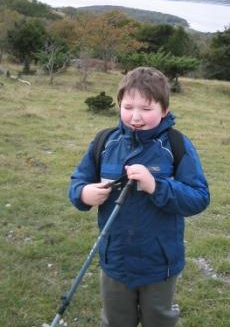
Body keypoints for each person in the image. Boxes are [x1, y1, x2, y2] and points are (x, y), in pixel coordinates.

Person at [68, 66, 210, 327]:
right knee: (115, 321)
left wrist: (156, 186)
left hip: (160, 263)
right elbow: (78, 182)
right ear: (119, 104)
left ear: (164, 110)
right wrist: (83, 193)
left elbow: (198, 198)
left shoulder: (176, 145)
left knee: (159, 320)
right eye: (127, 107)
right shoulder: (104, 142)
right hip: (115, 259)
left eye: (146, 109)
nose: (135, 117)